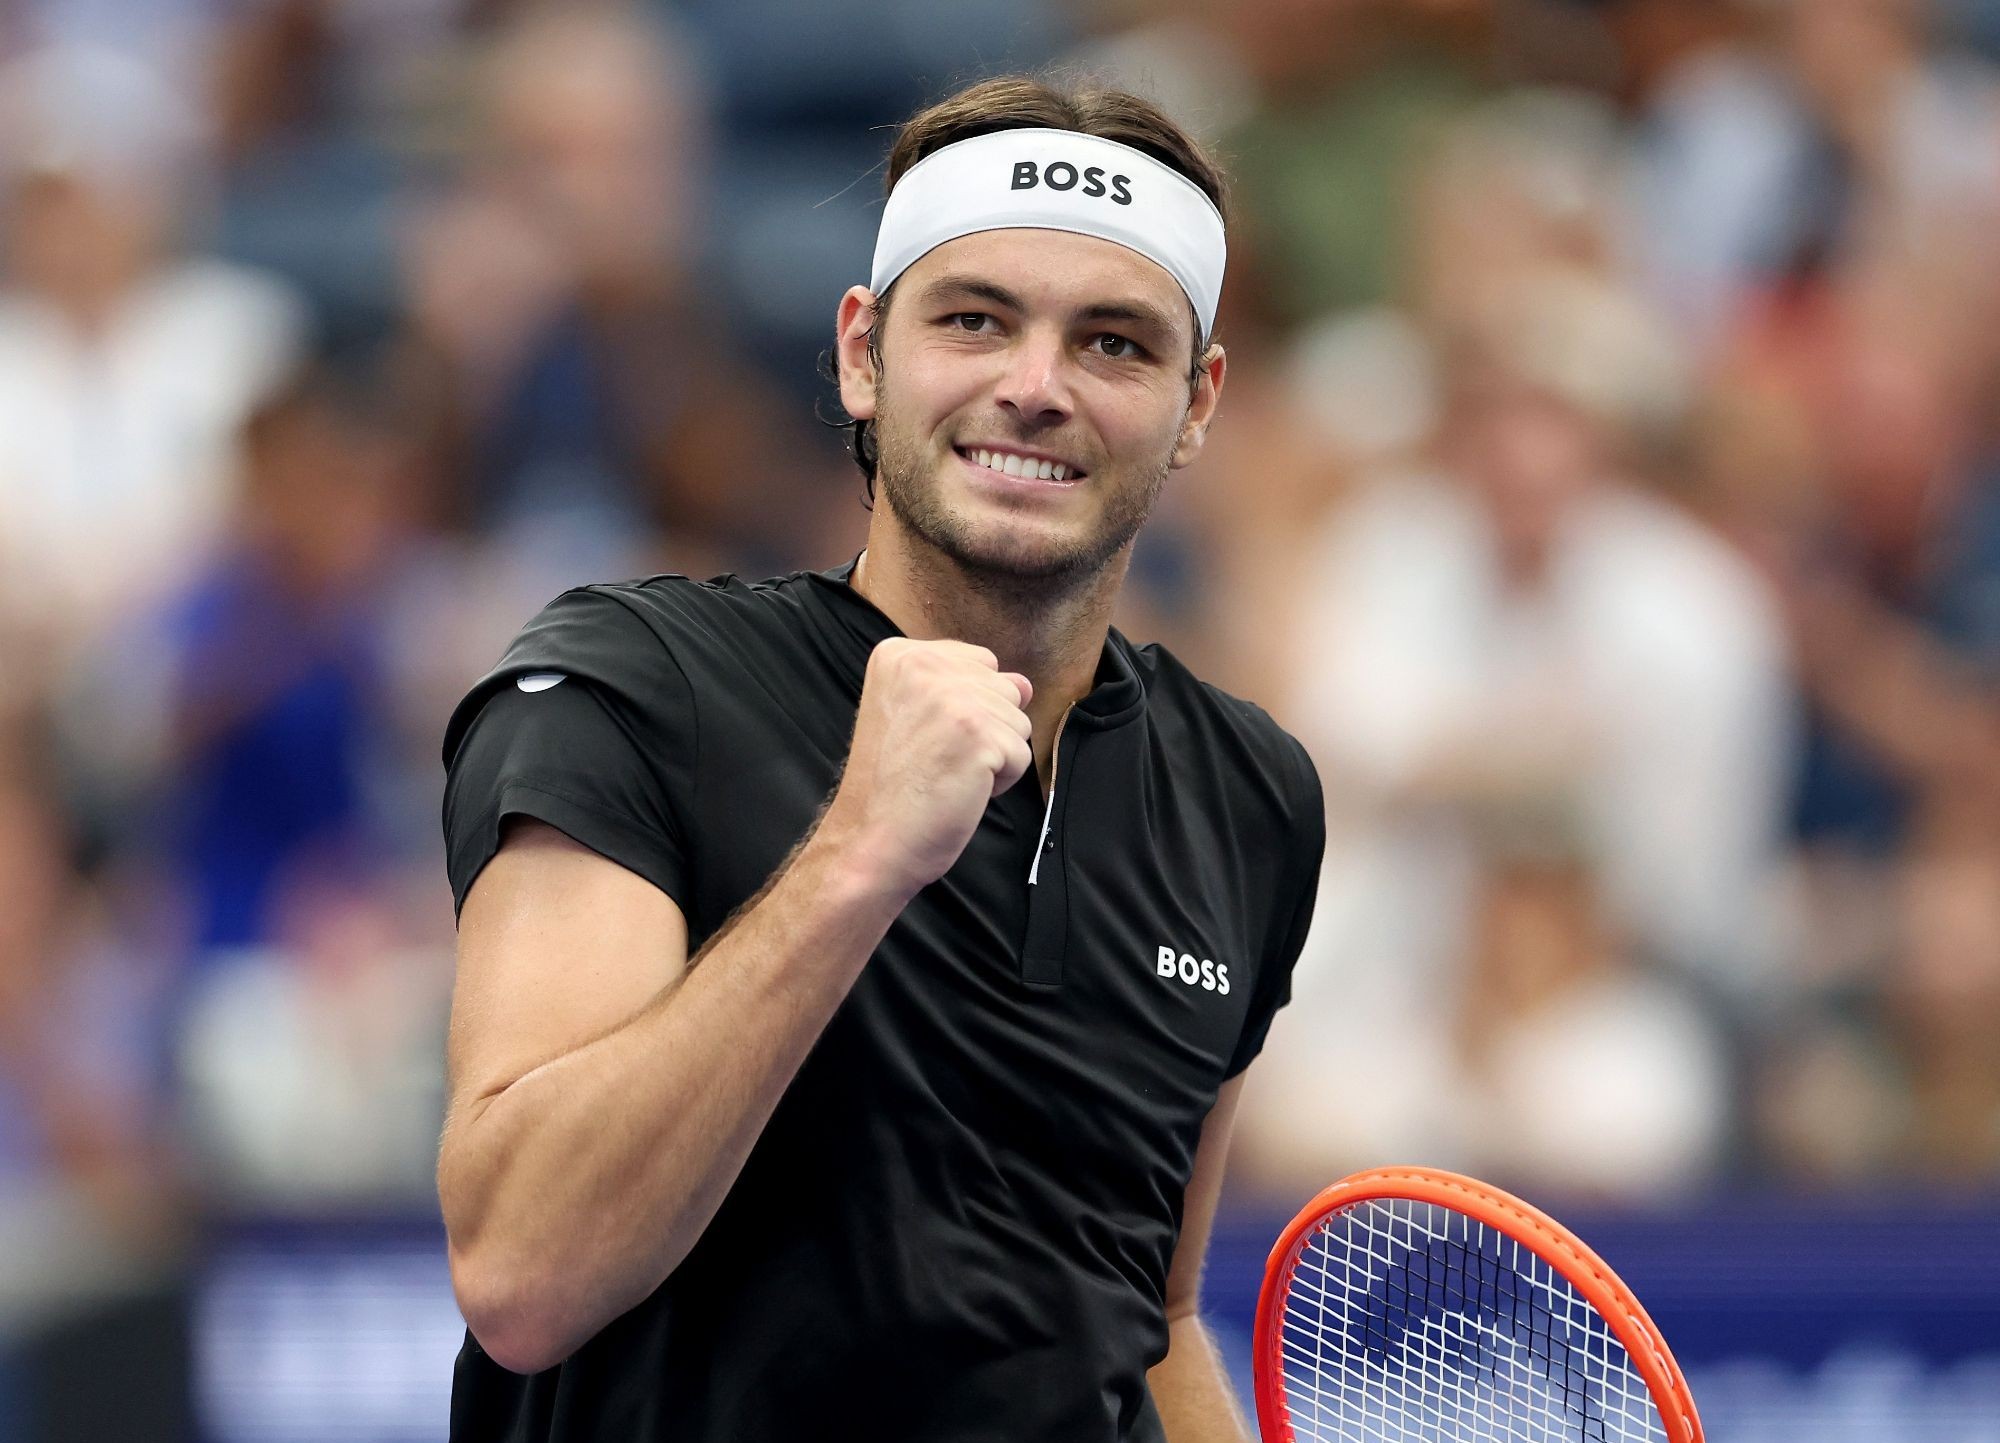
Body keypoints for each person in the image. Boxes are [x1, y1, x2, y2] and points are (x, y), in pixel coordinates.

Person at [435, 76, 1325, 1442]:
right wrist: (857, 855)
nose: (1034, 389)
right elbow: (522, 1275)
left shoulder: (1250, 793)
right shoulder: (630, 688)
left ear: (1196, 403)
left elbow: (1150, 1314)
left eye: (1114, 343)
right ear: (863, 353)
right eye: (975, 321)